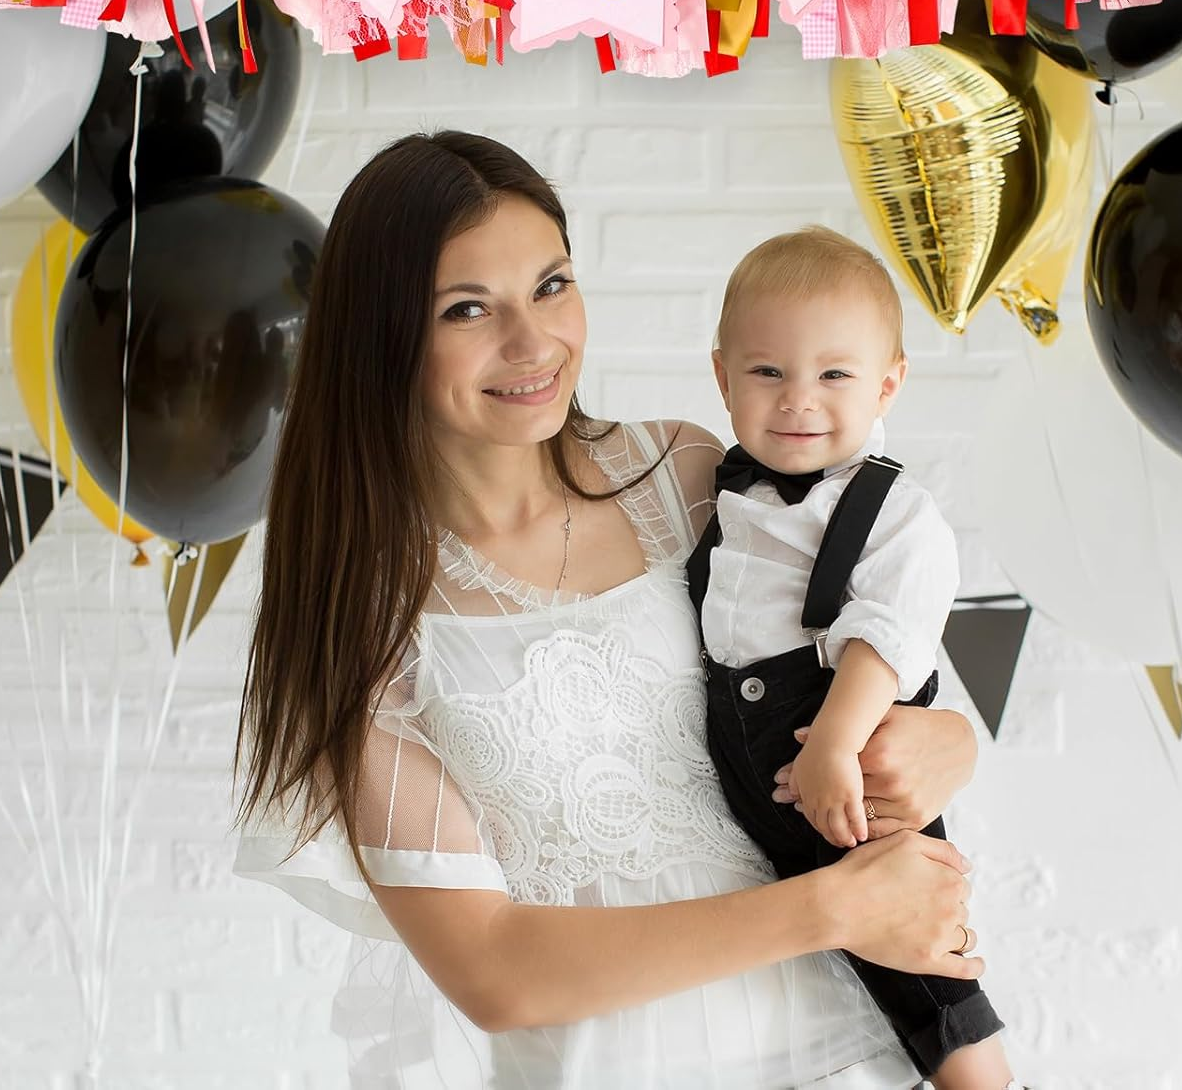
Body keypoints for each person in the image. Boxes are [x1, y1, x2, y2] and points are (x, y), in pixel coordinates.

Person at [232, 131, 986, 1088]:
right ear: (383, 335)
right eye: (469, 309)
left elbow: (880, 639)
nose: (534, 342)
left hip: (847, 1051)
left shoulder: (686, 478)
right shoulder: (362, 621)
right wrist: (831, 909)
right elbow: (493, 970)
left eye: (552, 285)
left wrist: (949, 741)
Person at [690, 228, 1015, 1089]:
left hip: (847, 765)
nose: (799, 400)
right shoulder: (719, 490)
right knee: (831, 979)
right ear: (722, 376)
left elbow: (890, 631)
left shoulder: (892, 509)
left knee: (922, 961)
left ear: (888, 385)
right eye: (768, 373)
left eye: (834, 375)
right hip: (753, 790)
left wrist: (835, 742)